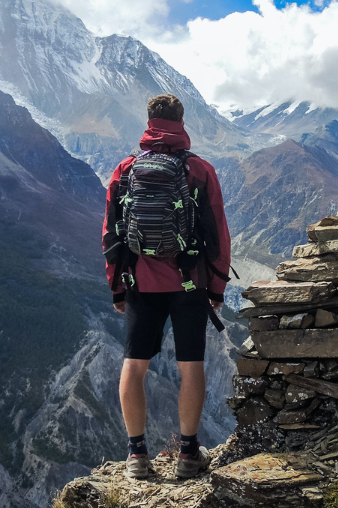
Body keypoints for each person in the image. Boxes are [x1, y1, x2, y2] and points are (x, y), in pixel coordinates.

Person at [101, 94, 231, 480]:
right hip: (190, 283)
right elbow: (218, 233)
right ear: (182, 121)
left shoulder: (125, 170)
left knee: (135, 364)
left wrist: (117, 288)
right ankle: (189, 454)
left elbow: (111, 234)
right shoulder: (200, 170)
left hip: (140, 281)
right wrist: (217, 287)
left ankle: (137, 456)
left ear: (148, 122)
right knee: (191, 366)